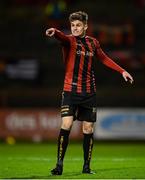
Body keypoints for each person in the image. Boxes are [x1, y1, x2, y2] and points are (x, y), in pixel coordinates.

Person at [45, 11, 134, 175]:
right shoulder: (69, 41)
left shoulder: (93, 43)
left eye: (78, 25)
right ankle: (59, 166)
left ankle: (86, 167)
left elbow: (105, 58)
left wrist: (122, 71)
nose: (75, 28)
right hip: (70, 91)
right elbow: (62, 37)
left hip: (89, 92)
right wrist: (55, 32)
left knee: (88, 129)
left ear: (85, 26)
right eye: (73, 25)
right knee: (66, 125)